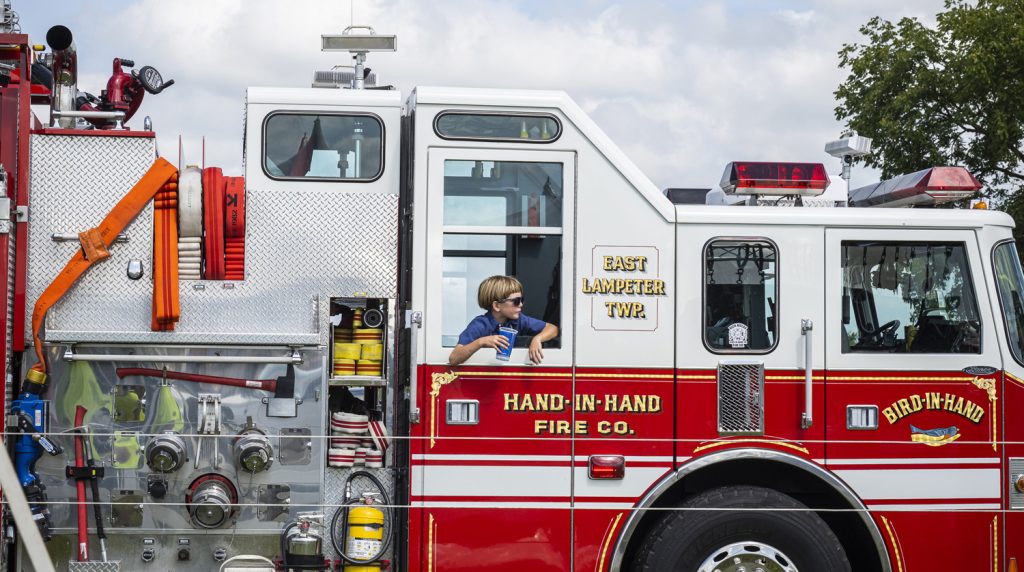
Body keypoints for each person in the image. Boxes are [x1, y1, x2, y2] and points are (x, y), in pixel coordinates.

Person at [448, 275, 559, 366]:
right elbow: (454, 358)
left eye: (522, 300)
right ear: (497, 306)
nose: (521, 304)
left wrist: (537, 339)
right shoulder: (480, 325)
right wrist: (481, 342)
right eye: (516, 301)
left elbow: (553, 329)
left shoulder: (519, 320)